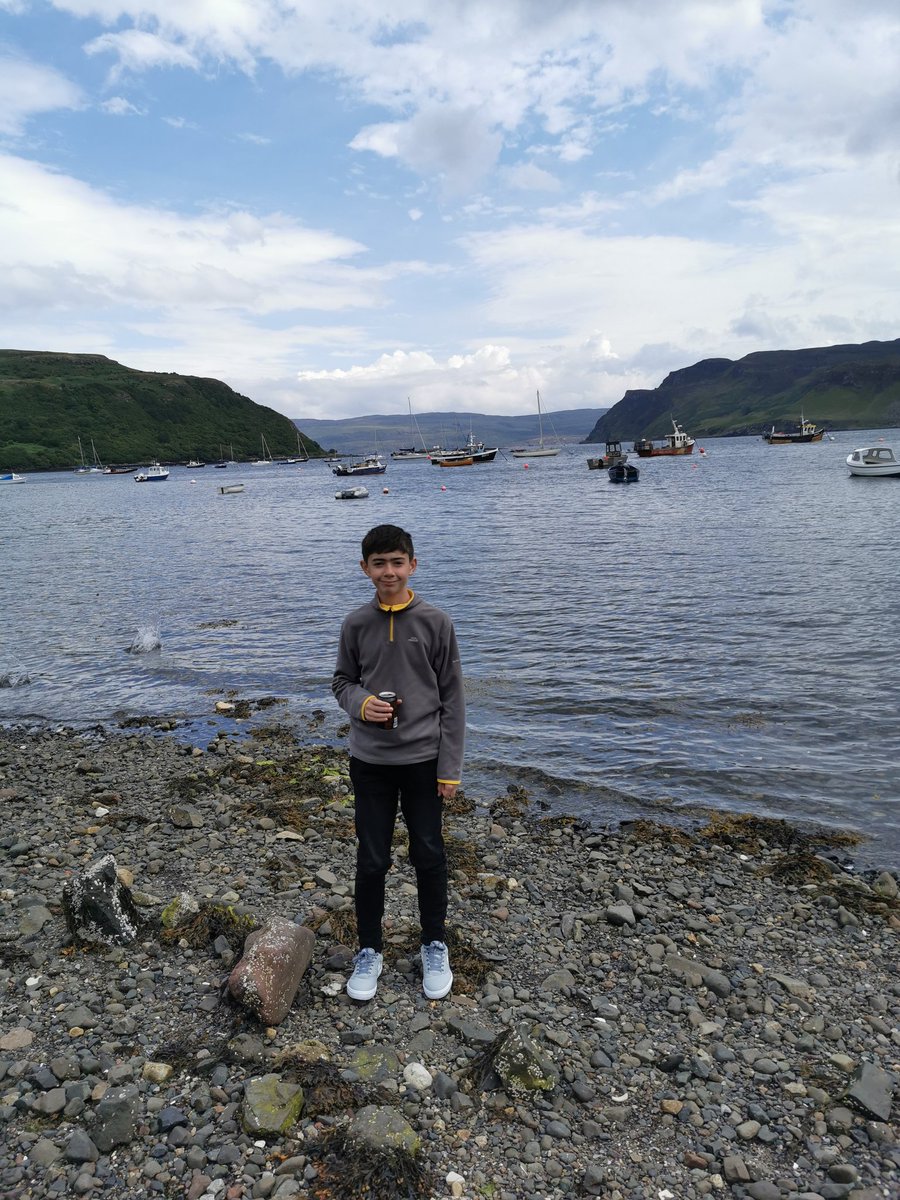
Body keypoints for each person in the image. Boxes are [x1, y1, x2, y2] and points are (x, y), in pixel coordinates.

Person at [332, 524, 465, 1002]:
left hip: (424, 762)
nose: (388, 571)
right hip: (369, 761)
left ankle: (434, 943)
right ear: (364, 568)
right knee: (372, 859)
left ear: (413, 565)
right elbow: (342, 681)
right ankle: (369, 949)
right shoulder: (355, 624)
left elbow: (453, 699)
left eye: (397, 562)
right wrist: (361, 704)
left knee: (428, 854)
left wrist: (450, 768)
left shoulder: (436, 622)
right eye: (378, 563)